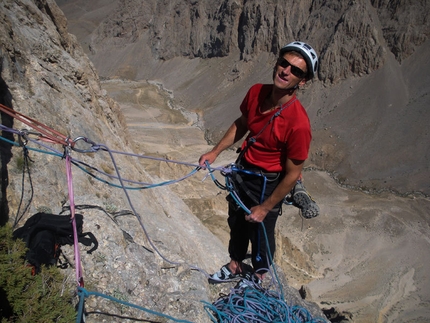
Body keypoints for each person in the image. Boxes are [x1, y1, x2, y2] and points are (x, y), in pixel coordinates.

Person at [198, 41, 320, 286]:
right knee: (237, 221)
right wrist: (215, 152)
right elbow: (243, 124)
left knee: (261, 230)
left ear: (302, 82)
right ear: (277, 64)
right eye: (284, 63)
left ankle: (260, 276)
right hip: (244, 170)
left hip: (267, 182)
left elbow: (293, 173)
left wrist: (265, 207)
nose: (286, 71)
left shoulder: (298, 123)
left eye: (296, 71)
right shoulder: (255, 92)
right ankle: (235, 265)